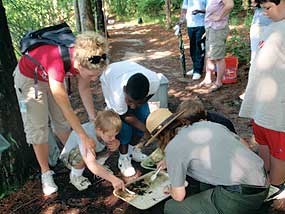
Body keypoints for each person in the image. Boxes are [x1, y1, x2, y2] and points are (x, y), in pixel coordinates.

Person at [13, 31, 108, 195]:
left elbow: (84, 89)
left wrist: (93, 119)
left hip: (51, 76)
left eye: (97, 75)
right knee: (38, 127)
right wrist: (84, 137)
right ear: (78, 65)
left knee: (62, 123)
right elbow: (66, 107)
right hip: (30, 79)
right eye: (92, 75)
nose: (94, 79)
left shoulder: (92, 59)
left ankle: (75, 160)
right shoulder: (58, 63)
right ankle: (45, 172)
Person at [145, 108, 269, 214]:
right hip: (263, 184)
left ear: (160, 137)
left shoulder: (172, 148)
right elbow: (245, 145)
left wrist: (171, 188)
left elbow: (178, 196)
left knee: (172, 207)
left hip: (241, 197)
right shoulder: (208, 124)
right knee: (204, 183)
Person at [239, 0, 285, 198]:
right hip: (261, 105)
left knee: (279, 151)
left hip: (277, 109)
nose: (265, 13)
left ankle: (276, 187)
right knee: (263, 143)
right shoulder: (274, 26)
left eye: (268, 8)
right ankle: (265, 177)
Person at [100, 60, 160, 177]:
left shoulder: (154, 82)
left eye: (137, 103)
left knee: (144, 117)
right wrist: (146, 130)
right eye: (129, 101)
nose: (132, 106)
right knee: (125, 129)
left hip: (130, 75)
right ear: (124, 89)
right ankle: (123, 158)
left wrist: (144, 126)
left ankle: (131, 151)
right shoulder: (118, 95)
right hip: (111, 77)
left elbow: (147, 98)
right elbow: (124, 115)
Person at [60, 110, 125, 191]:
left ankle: (100, 167)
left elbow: (111, 139)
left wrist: (117, 143)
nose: (113, 138)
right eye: (110, 136)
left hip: (92, 153)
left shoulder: (105, 132)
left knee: (111, 144)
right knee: (81, 154)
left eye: (115, 135)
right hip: (71, 158)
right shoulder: (86, 134)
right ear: (99, 129)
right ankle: (75, 176)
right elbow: (91, 164)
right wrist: (113, 179)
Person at [189, 0, 234, 93]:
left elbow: (230, 4)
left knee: (218, 57)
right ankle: (207, 78)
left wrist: (219, 16)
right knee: (209, 54)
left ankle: (218, 82)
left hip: (218, 28)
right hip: (210, 27)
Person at [179, 0, 207, 80]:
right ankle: (195, 67)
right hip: (190, 25)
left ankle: (198, 71)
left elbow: (210, 9)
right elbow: (184, 9)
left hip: (201, 24)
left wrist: (199, 11)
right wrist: (181, 20)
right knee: (193, 48)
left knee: (199, 47)